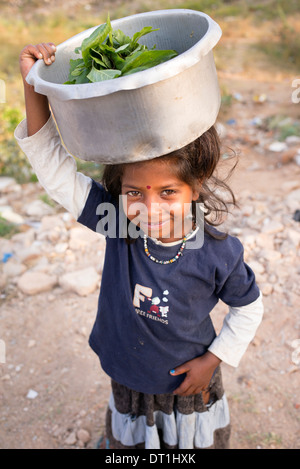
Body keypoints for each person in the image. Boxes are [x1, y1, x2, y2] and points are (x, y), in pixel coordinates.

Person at [15, 43, 264, 450]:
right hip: (128, 375)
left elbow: (249, 307)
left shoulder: (219, 251)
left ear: (196, 185)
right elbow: (56, 172)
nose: (149, 209)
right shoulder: (118, 224)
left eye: (168, 191)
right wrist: (34, 85)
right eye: (133, 192)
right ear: (118, 191)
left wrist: (214, 360)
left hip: (188, 382)